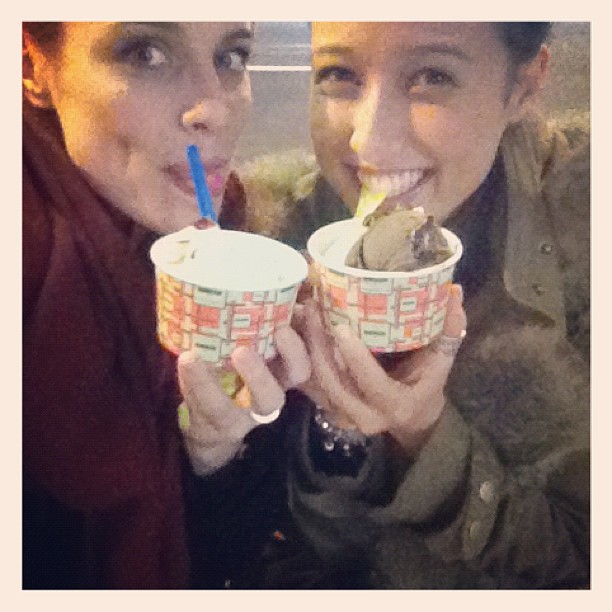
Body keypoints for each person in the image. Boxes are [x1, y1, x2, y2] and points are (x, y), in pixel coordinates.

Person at [236, 22, 590, 588]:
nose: (367, 143)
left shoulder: (586, 236)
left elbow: (583, 558)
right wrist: (293, 435)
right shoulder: (273, 240)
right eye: (339, 74)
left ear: (524, 86)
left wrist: (425, 435)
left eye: (432, 76)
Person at [22, 21, 319, 589]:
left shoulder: (226, 226)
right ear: (33, 66)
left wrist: (212, 451)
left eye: (232, 56)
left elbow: (219, 563)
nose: (217, 110)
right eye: (145, 52)